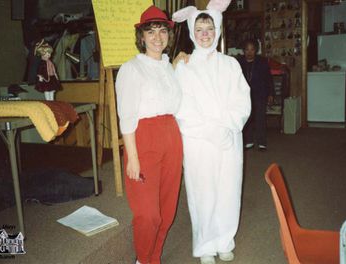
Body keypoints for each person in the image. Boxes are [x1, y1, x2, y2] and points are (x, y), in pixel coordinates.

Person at [172, 1, 251, 263]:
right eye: (199, 29)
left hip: (229, 137)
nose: (205, 34)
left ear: (217, 30)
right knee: (202, 192)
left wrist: (227, 126)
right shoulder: (184, 66)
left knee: (229, 189)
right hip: (198, 141)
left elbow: (242, 100)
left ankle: (224, 239)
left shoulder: (231, 65)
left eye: (209, 28)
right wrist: (208, 131)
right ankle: (205, 245)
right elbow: (183, 107)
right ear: (192, 33)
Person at [115, 6, 183, 264]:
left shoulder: (168, 66)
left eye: (162, 30)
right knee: (147, 214)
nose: (157, 36)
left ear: (169, 35)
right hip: (143, 140)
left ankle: (152, 258)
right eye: (151, 31)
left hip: (172, 138)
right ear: (141, 36)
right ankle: (144, 258)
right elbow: (127, 116)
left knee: (167, 210)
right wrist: (132, 157)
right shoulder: (131, 69)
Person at [238, 39, 274, 151]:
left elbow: (269, 79)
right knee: (247, 118)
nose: (249, 52)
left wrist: (271, 93)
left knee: (260, 118)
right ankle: (249, 141)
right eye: (247, 49)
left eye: (252, 49)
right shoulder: (239, 62)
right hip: (244, 95)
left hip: (260, 94)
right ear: (244, 51)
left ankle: (262, 142)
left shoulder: (262, 62)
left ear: (256, 50)